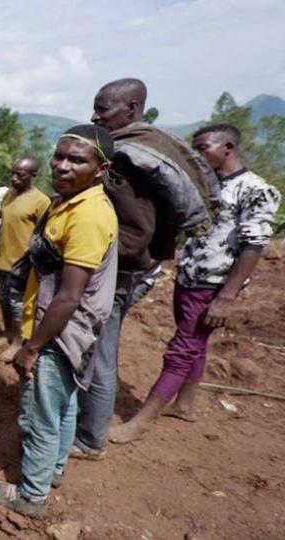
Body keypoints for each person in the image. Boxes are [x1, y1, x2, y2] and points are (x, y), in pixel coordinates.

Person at [72, 78, 216, 461]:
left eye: (103, 109)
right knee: (96, 350)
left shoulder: (125, 158)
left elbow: (135, 232)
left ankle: (90, 438)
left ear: (131, 110)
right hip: (128, 270)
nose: (95, 115)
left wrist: (89, 262)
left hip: (116, 274)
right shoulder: (148, 146)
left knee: (100, 354)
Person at [109, 124, 281, 444]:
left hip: (213, 284)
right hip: (190, 276)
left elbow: (254, 246)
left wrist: (227, 296)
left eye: (204, 148)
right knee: (195, 344)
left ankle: (141, 422)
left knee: (183, 347)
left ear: (227, 147)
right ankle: (185, 404)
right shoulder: (209, 185)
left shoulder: (256, 189)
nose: (199, 155)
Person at [0, 125, 118, 518]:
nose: (62, 165)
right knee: (64, 401)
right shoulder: (70, 202)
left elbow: (70, 295)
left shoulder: (89, 214)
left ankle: (32, 495)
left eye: (77, 159)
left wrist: (32, 347)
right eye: (59, 156)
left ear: (100, 167)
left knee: (42, 413)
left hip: (61, 332)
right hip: (63, 327)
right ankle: (55, 469)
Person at [0, 156, 51, 346]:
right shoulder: (9, 194)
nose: (14, 178)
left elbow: (44, 237)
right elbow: (4, 224)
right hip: (0, 259)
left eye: (20, 175)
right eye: (13, 173)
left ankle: (18, 343)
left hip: (22, 265)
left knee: (18, 305)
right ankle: (8, 334)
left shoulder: (41, 202)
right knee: (3, 299)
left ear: (33, 175)